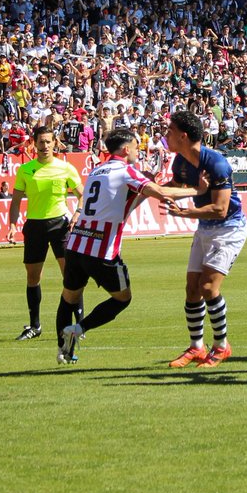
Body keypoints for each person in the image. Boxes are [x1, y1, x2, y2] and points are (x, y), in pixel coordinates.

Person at [57, 129, 204, 363]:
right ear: (126, 149)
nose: (138, 150)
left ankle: (64, 352)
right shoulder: (126, 171)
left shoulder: (97, 170)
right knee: (122, 299)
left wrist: (146, 187)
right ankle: (79, 329)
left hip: (77, 245)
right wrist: (197, 190)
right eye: (136, 146)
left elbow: (125, 200)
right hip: (102, 250)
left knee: (69, 298)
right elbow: (163, 194)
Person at [164, 110, 247, 368]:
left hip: (228, 228)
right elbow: (176, 188)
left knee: (209, 288)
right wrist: (146, 186)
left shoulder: (216, 163)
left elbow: (221, 208)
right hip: (204, 227)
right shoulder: (180, 161)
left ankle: (222, 346)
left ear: (183, 136)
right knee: (192, 290)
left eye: (170, 130)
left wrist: (186, 212)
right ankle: (197, 347)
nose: (166, 134)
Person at [5, 126, 84, 340]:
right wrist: (12, 225)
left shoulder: (65, 168)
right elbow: (15, 202)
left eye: (49, 142)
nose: (45, 146)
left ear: (54, 143)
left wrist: (77, 212)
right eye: (41, 142)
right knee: (33, 277)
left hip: (60, 225)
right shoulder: (25, 169)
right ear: (34, 143)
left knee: (70, 276)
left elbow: (82, 196)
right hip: (34, 226)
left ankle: (79, 324)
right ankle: (35, 326)